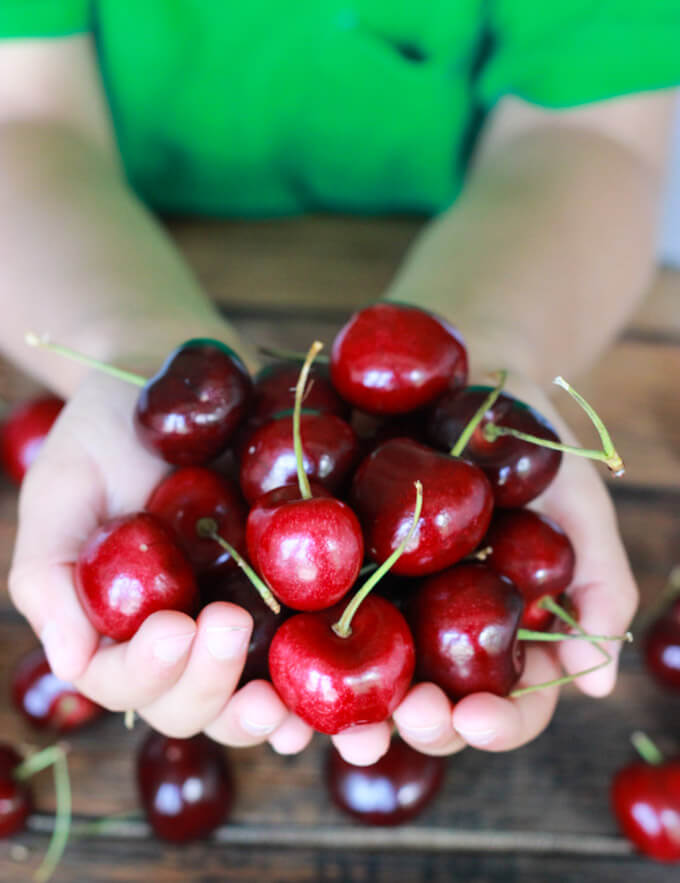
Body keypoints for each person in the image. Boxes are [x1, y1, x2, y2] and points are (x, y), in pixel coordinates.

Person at [1, 3, 678, 767]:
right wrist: (122, 343)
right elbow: (18, 119)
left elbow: (591, 133)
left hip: (487, 240)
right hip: (108, 232)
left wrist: (489, 347)